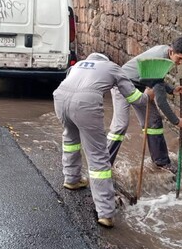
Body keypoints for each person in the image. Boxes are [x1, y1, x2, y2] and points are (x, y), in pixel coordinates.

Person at [53, 52, 154, 228]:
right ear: (105, 60)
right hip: (85, 103)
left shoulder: (78, 65)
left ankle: (71, 179)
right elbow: (134, 98)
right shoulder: (112, 67)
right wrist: (147, 97)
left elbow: (70, 82)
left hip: (60, 99)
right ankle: (106, 213)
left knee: (70, 138)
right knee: (98, 156)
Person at [107, 36, 182, 171]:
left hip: (138, 86)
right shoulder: (159, 62)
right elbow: (161, 101)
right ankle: (104, 165)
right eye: (180, 58)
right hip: (121, 85)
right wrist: (176, 121)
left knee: (153, 121)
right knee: (120, 126)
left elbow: (155, 80)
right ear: (171, 51)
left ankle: (161, 162)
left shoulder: (165, 53)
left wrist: (171, 90)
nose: (181, 62)